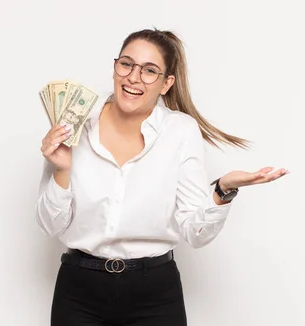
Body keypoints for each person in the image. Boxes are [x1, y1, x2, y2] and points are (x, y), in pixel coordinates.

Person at [35, 28, 289, 326]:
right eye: (126, 64)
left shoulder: (180, 132)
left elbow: (195, 233)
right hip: (79, 289)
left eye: (149, 71)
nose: (133, 77)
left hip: (154, 293)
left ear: (166, 83)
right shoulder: (75, 122)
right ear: (115, 67)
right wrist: (62, 168)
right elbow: (50, 225)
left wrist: (223, 189)